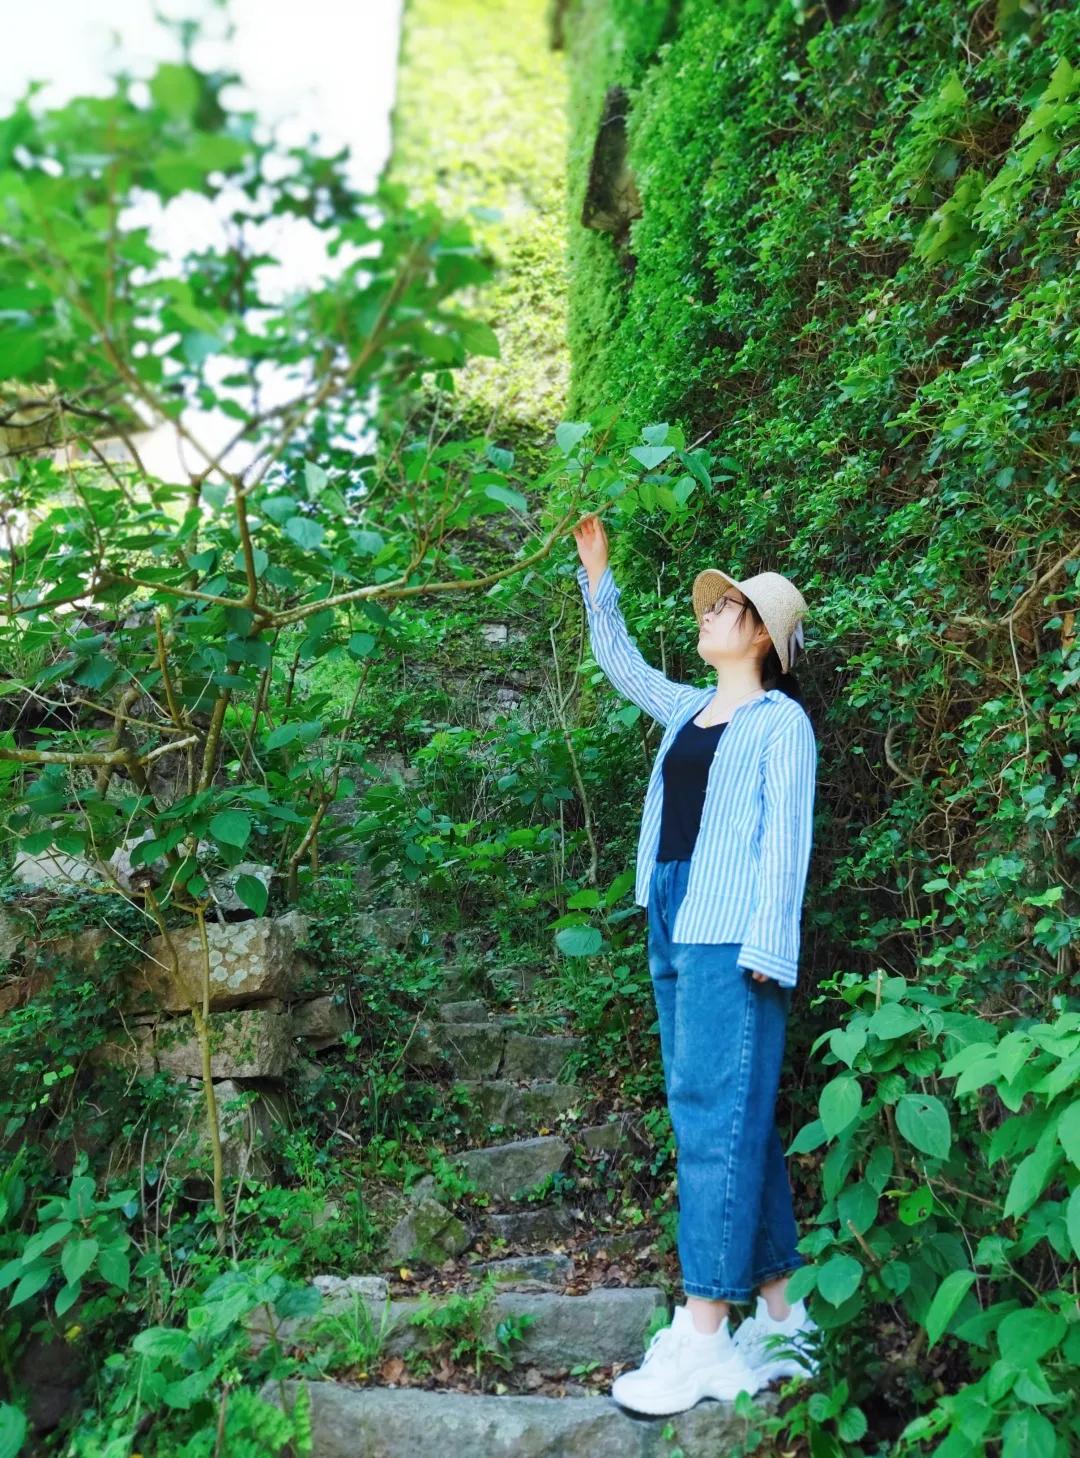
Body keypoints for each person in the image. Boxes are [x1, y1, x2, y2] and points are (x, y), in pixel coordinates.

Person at [571, 511, 820, 1417]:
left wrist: (768, 948)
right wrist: (600, 579)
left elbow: (784, 844)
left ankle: (707, 1334)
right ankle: (784, 1316)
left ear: (760, 633)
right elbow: (623, 668)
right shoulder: (689, 709)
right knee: (721, 1110)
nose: (710, 613)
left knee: (715, 1117)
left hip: (731, 932)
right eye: (714, 604)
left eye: (727, 607)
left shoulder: (779, 724)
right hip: (672, 917)